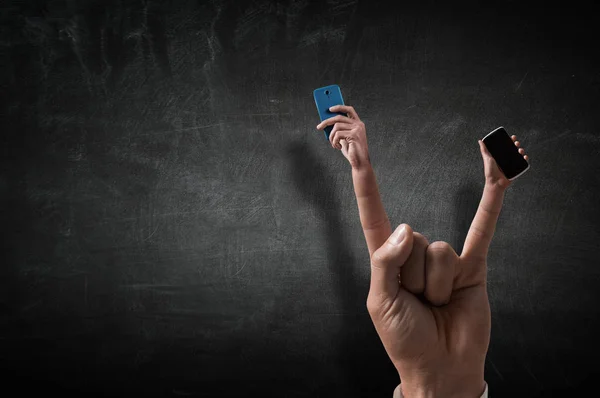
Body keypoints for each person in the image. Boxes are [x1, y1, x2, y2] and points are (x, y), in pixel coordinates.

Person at [316, 105, 530, 398]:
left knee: (408, 255)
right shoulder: (464, 290)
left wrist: (362, 169)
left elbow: (381, 249)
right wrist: (494, 190)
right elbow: (475, 257)